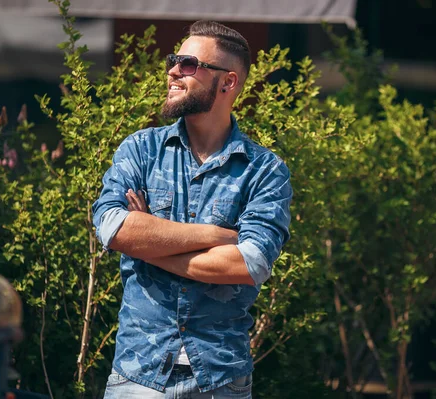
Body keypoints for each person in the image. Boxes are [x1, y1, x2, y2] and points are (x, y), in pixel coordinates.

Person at [92, 20, 293, 398]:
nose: (172, 71)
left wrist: (150, 245)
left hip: (219, 377)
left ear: (227, 83)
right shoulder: (141, 150)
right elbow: (114, 228)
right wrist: (213, 237)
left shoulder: (265, 171)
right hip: (138, 374)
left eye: (188, 64)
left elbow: (249, 264)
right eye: (173, 61)